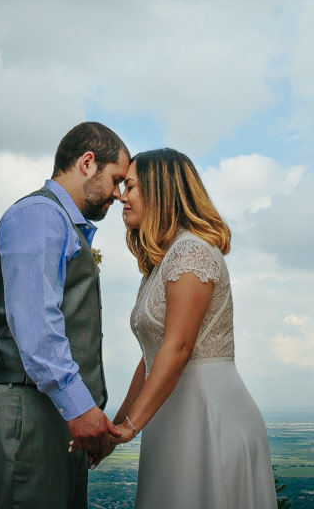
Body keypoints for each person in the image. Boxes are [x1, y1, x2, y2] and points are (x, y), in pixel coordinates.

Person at [104, 148, 275, 508]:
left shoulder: (191, 253)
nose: (121, 195)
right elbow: (152, 356)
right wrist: (117, 426)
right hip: (171, 414)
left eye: (130, 187)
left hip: (207, 411)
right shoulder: (161, 263)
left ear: (159, 191)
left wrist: (133, 426)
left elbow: (178, 348)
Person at [0, 121, 130, 509]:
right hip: (28, 409)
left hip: (50, 410)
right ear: (87, 163)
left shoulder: (58, 220)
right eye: (116, 179)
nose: (119, 194)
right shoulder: (40, 215)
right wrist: (79, 406)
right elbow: (36, 323)